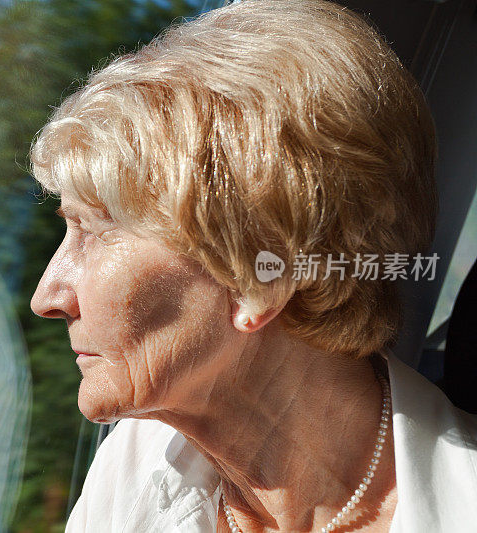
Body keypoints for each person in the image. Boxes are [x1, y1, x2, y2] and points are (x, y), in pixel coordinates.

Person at [29, 0, 477, 531]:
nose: (45, 297)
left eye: (96, 230)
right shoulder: (136, 465)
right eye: (66, 225)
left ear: (262, 277)